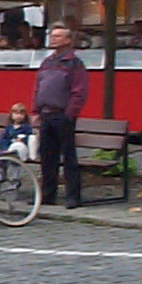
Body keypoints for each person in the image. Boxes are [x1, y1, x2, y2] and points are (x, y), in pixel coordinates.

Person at [32, 21, 89, 209]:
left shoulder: (74, 63)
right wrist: (35, 110)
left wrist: (69, 115)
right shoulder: (47, 62)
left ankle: (73, 196)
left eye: (57, 36)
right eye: (52, 36)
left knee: (68, 158)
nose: (53, 39)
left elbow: (78, 91)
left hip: (62, 115)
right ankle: (48, 194)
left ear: (67, 40)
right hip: (46, 114)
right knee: (47, 158)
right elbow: (38, 87)